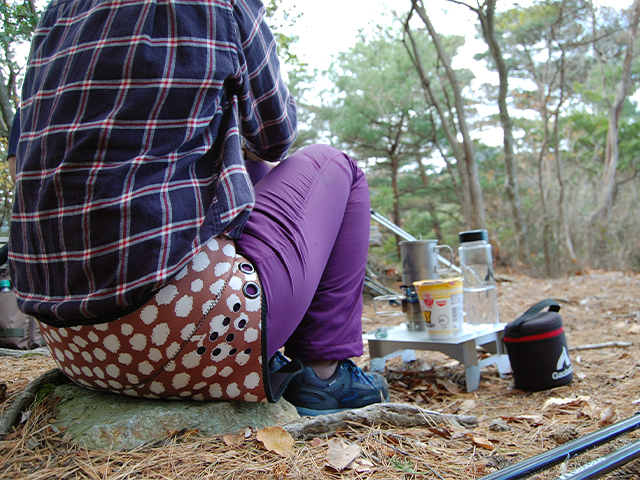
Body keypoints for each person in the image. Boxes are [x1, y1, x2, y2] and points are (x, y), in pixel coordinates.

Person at [9, 0, 388, 416]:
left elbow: (20, 157)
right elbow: (275, 134)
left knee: (244, 165)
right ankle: (323, 376)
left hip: (75, 349)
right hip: (190, 338)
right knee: (337, 167)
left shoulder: (58, 12)